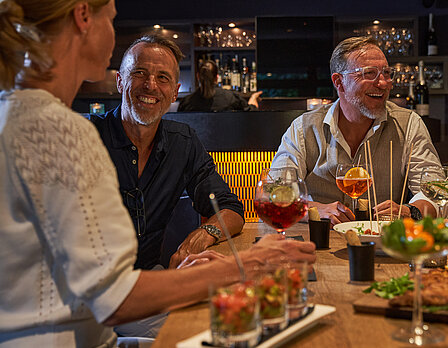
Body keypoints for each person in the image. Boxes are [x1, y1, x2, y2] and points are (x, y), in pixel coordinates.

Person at [0, 1, 316, 347]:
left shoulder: (15, 114)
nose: (151, 85)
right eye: (113, 18)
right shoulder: (66, 132)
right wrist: (246, 264)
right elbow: (115, 298)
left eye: (163, 77)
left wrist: (203, 247)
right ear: (83, 17)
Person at [89, 35, 244, 271]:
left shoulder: (182, 141)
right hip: (85, 286)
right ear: (120, 82)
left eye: (163, 78)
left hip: (150, 278)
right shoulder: (85, 137)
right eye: (139, 73)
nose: (151, 85)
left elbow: (231, 210)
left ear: (174, 93)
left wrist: (203, 234)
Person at [271, 36, 442, 225]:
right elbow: (276, 194)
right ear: (339, 82)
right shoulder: (303, 129)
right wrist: (315, 209)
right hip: (319, 243)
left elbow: (436, 193)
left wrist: (410, 211)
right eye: (370, 73)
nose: (384, 83)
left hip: (383, 243)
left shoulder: (409, 124)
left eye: (386, 73)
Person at [177, 59, 262, 112]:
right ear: (217, 77)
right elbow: (251, 114)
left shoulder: (186, 102)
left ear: (198, 76)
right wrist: (253, 98)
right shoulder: (231, 98)